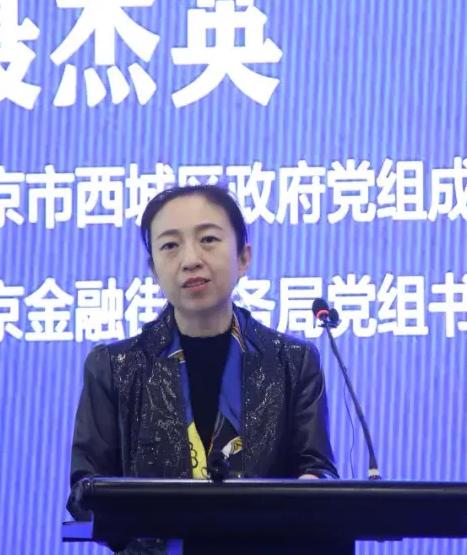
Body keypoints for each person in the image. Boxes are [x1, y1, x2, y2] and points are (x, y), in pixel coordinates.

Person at [65, 184, 338, 533]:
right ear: (154, 269)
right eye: (170, 245)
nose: (190, 259)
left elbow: (317, 468)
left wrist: (309, 487)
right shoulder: (114, 367)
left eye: (208, 239)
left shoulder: (293, 363)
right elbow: (85, 488)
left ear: (243, 258)